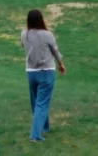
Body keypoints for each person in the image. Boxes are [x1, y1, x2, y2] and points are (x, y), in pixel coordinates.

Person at [22, 8, 66, 142]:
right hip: (46, 72)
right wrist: (61, 64)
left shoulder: (24, 34)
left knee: (36, 102)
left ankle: (45, 126)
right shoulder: (47, 35)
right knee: (42, 103)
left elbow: (24, 46)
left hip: (31, 73)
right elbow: (55, 51)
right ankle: (35, 135)